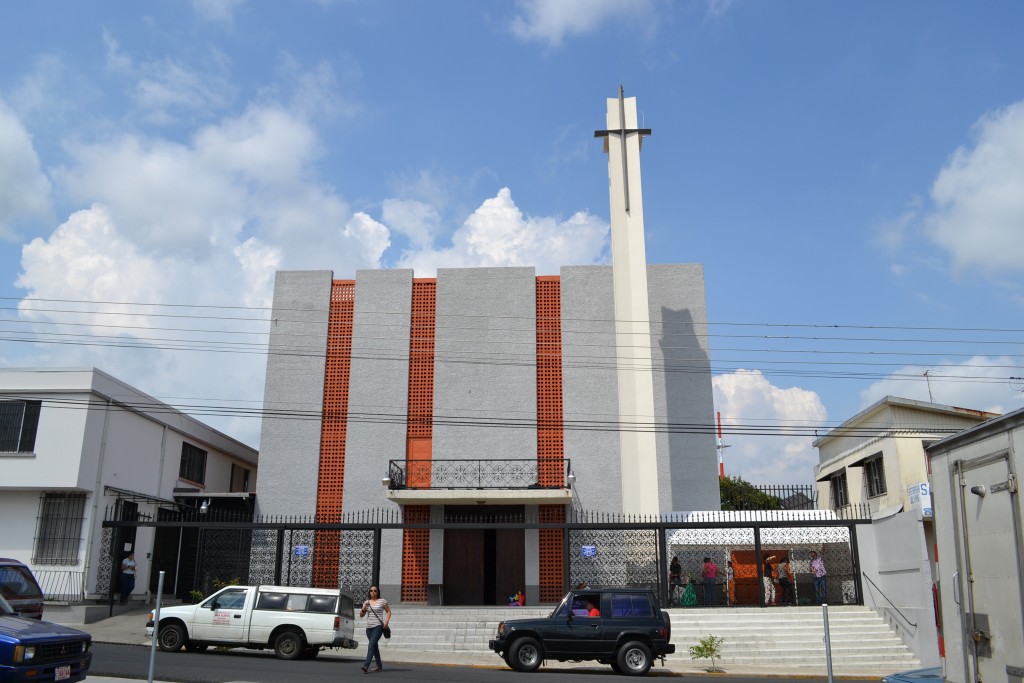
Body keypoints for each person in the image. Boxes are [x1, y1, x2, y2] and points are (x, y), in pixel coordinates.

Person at [359, 585, 391, 673]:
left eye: (375, 591)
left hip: (378, 627)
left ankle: (366, 665)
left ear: (378, 592)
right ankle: (379, 665)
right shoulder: (366, 602)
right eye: (371, 591)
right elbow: (361, 615)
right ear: (369, 592)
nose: (373, 592)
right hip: (369, 628)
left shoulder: (382, 601)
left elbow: (388, 611)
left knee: (371, 644)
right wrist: (364, 608)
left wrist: (386, 621)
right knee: (374, 646)